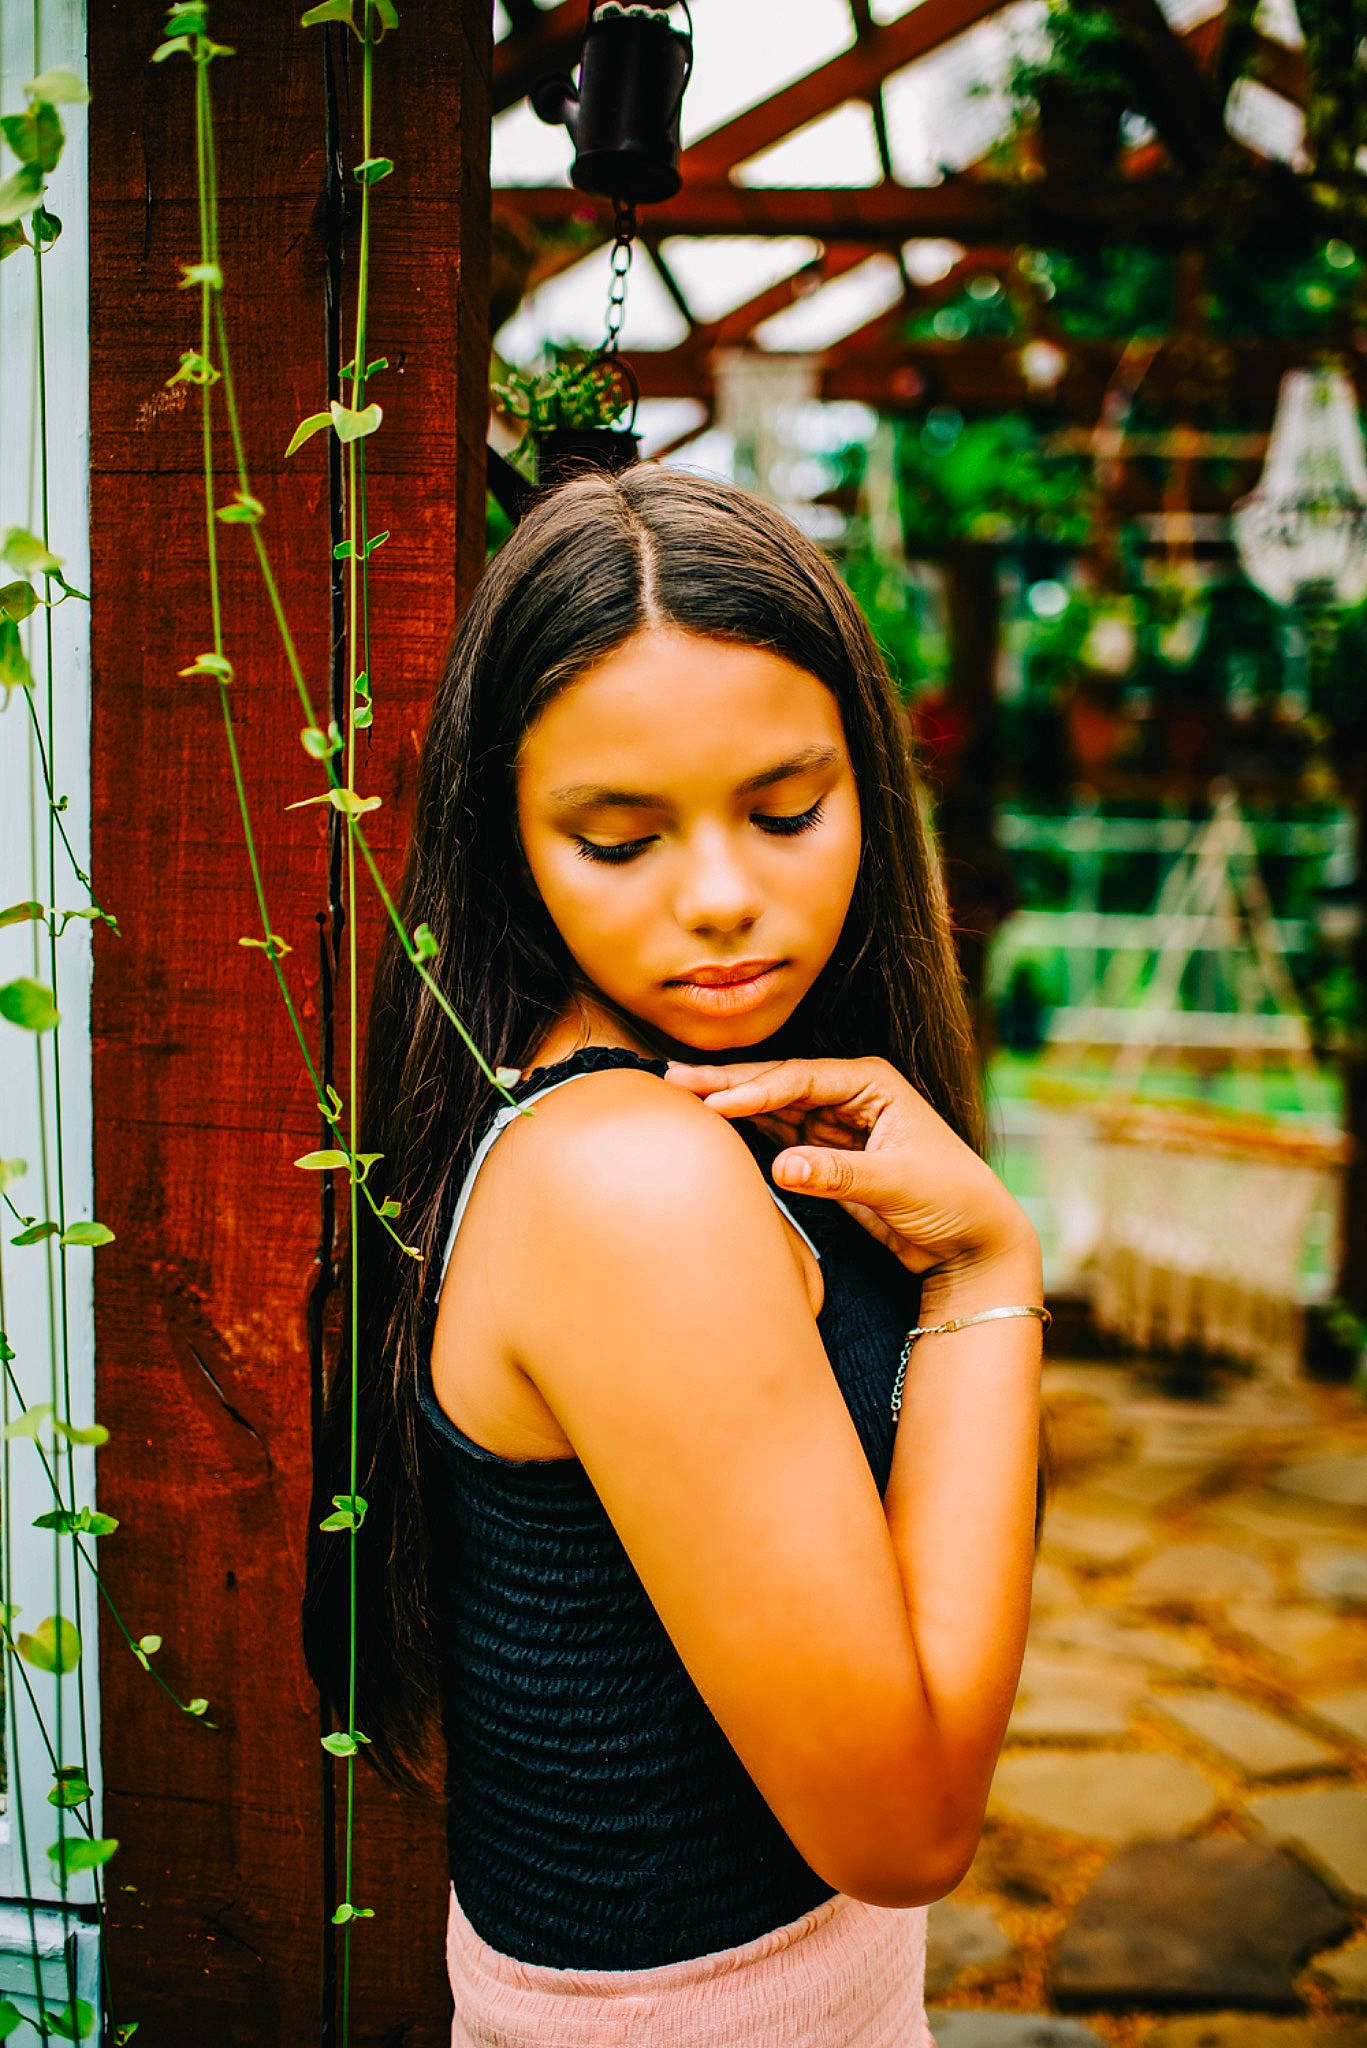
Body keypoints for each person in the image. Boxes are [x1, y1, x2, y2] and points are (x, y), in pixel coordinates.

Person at [304, 466, 1047, 2047]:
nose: (723, 901)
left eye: (787, 813)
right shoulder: (633, 1185)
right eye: (618, 841)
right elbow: (906, 1829)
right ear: (506, 839)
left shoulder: (666, 1110)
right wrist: (988, 1277)